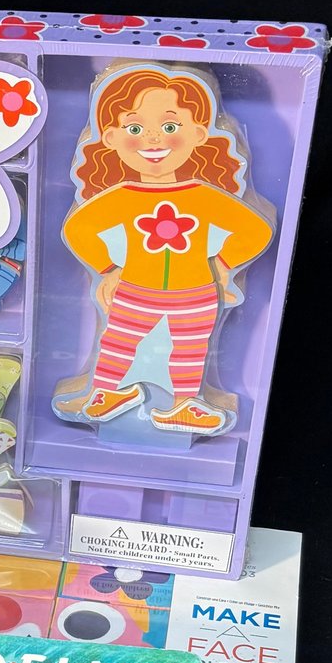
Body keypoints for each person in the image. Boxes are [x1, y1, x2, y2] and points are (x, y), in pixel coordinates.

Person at [56, 67, 272, 437]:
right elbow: (78, 229)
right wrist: (108, 269)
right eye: (134, 128)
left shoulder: (204, 196)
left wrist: (222, 265)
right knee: (118, 342)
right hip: (136, 288)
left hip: (196, 291)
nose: (153, 139)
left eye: (170, 126)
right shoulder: (123, 197)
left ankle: (184, 404)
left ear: (199, 134)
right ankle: (106, 393)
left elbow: (255, 230)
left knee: (189, 350)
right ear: (111, 137)